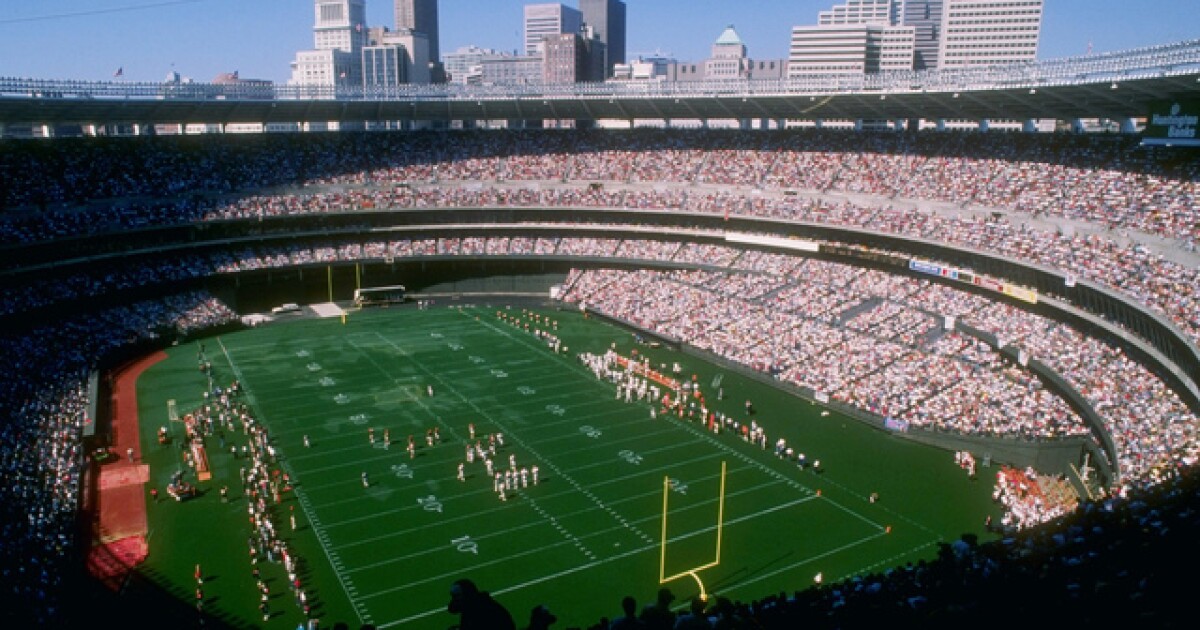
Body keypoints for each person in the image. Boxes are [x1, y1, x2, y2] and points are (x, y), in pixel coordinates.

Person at [446, 578, 515, 630]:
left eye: (457, 596)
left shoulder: (482, 611)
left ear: (467, 595)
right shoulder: (472, 606)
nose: (454, 601)